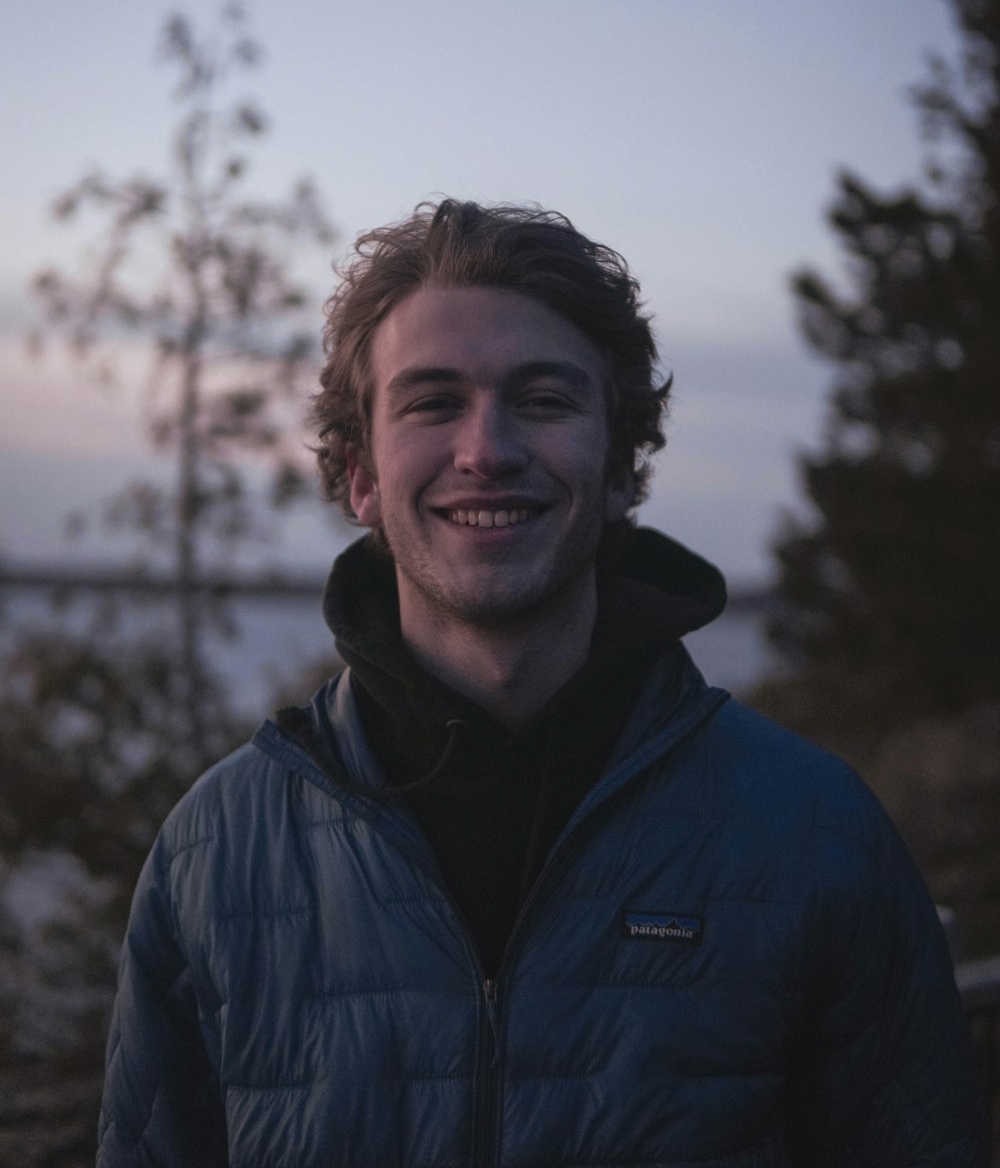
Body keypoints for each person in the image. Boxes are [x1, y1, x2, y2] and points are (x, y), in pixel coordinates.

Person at [98, 199, 988, 1166]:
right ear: (359, 473)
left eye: (544, 399)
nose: (488, 450)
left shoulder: (817, 837)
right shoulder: (214, 854)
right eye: (433, 402)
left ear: (618, 467)